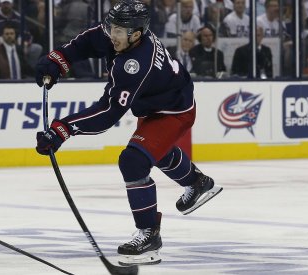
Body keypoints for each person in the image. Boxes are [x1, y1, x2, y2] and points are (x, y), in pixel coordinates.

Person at [34, 0, 223, 266]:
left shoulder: (134, 64)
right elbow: (88, 42)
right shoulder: (123, 33)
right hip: (160, 100)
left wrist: (63, 130)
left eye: (119, 31)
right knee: (153, 150)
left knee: (134, 161)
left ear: (136, 34)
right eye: (112, 27)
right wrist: (59, 59)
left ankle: (149, 235)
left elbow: (108, 113)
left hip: (174, 110)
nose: (113, 34)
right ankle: (197, 183)